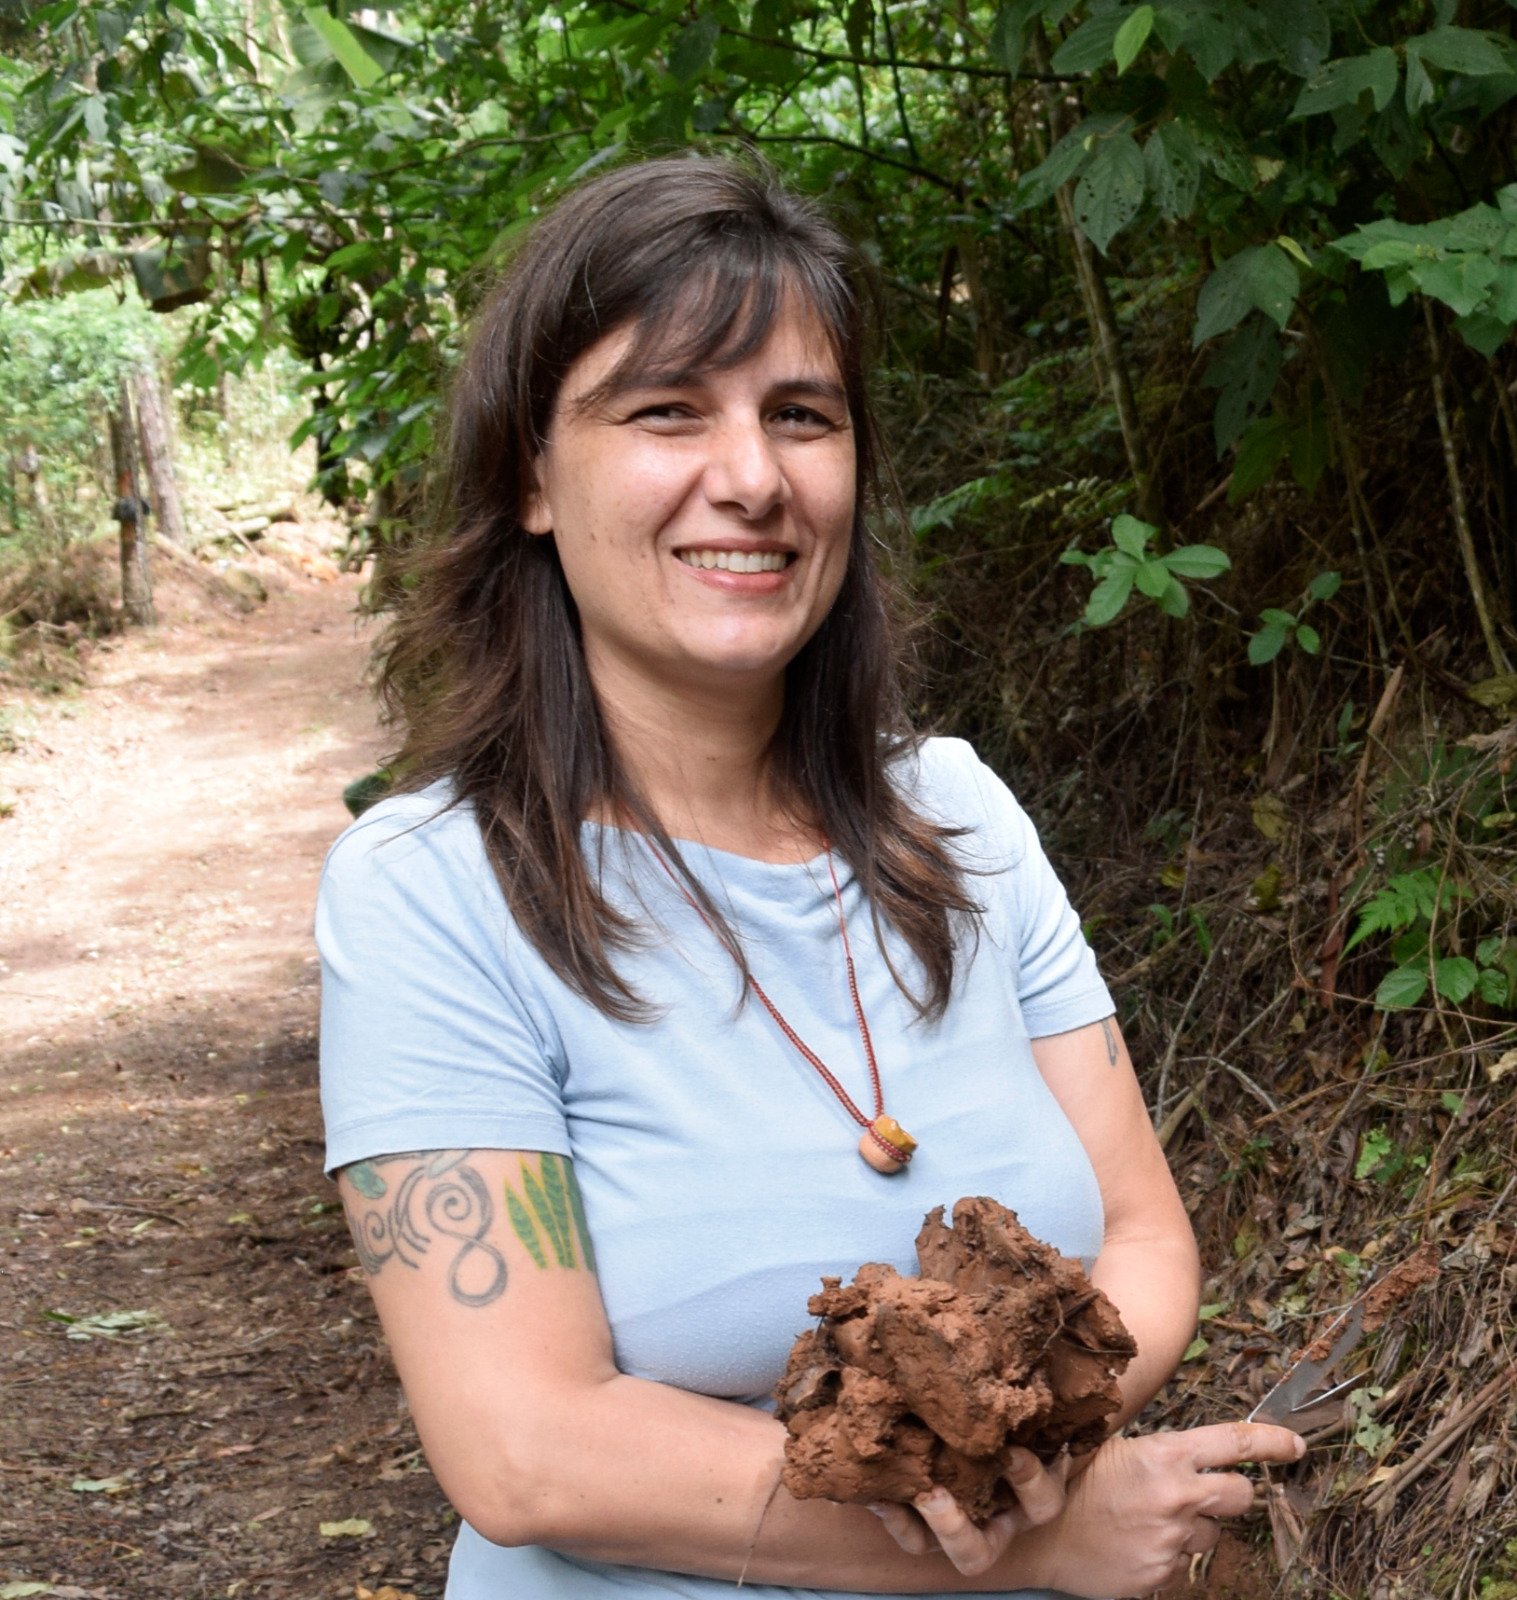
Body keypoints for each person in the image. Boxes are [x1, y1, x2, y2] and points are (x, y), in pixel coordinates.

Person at [316, 155, 1303, 1599]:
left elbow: (1142, 1229)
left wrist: (1022, 1443)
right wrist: (1025, 1550)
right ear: (530, 474)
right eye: (665, 410)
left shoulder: (957, 817)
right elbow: (525, 1448)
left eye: (802, 416)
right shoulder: (433, 889)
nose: (753, 479)